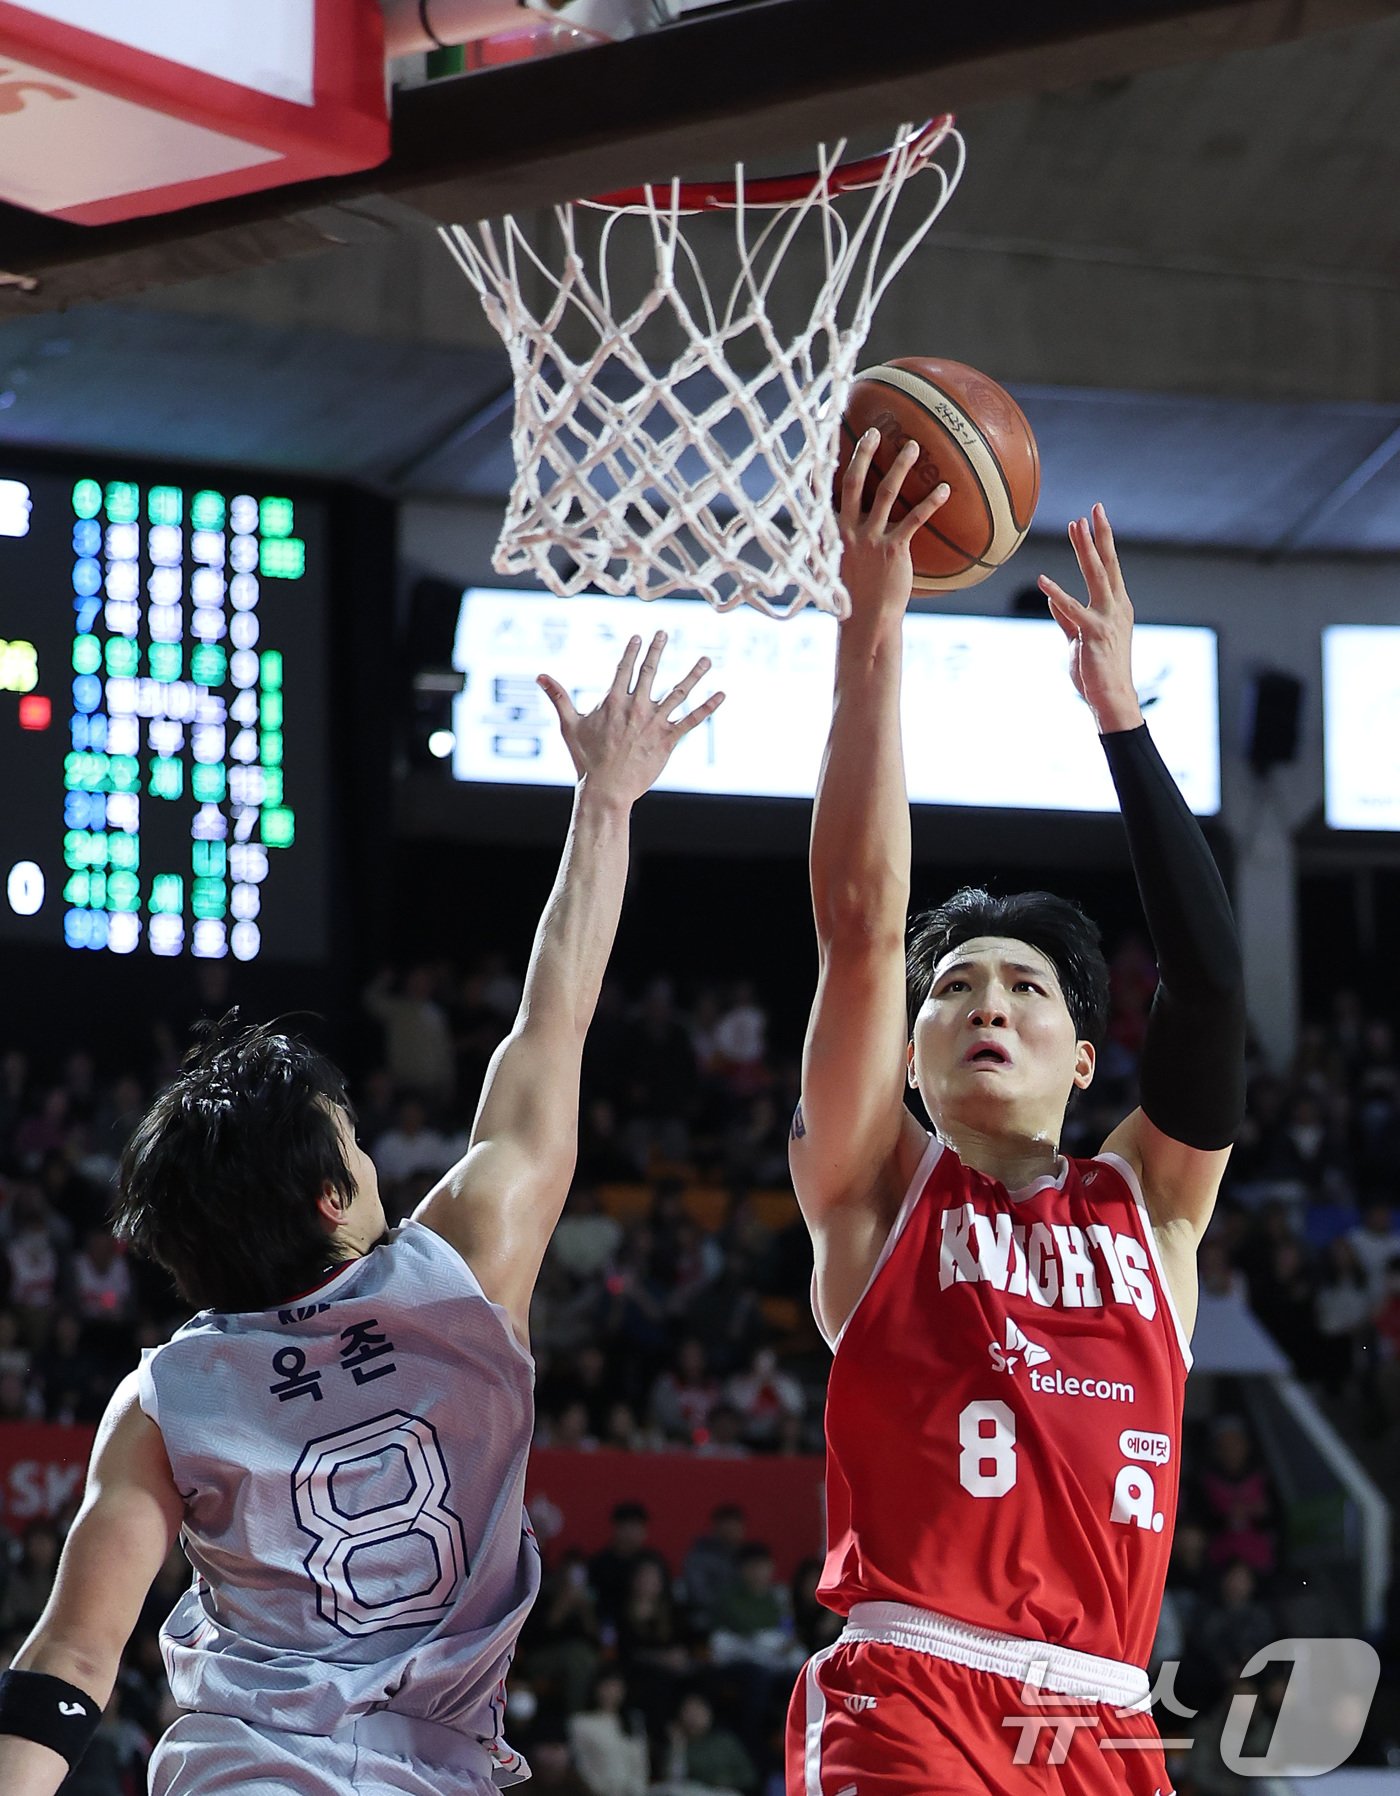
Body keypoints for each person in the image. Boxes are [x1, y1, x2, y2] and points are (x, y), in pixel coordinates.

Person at [0, 632, 722, 1796]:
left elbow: (72, 1657)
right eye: (353, 1137)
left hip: (243, 1770)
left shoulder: (162, 1394)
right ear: (334, 1196)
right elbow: (554, 1021)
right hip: (432, 1769)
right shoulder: (467, 1271)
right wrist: (605, 798)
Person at [785, 431, 1246, 1794]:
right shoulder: (876, 1188)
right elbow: (863, 929)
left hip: (1100, 1722)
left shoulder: (1153, 1207)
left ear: (1088, 1056)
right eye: (959, 991)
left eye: (1027, 987)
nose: (988, 1004)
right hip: (912, 1688)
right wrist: (872, 632)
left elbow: (1213, 985)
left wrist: (1125, 720)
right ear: (913, 1061)